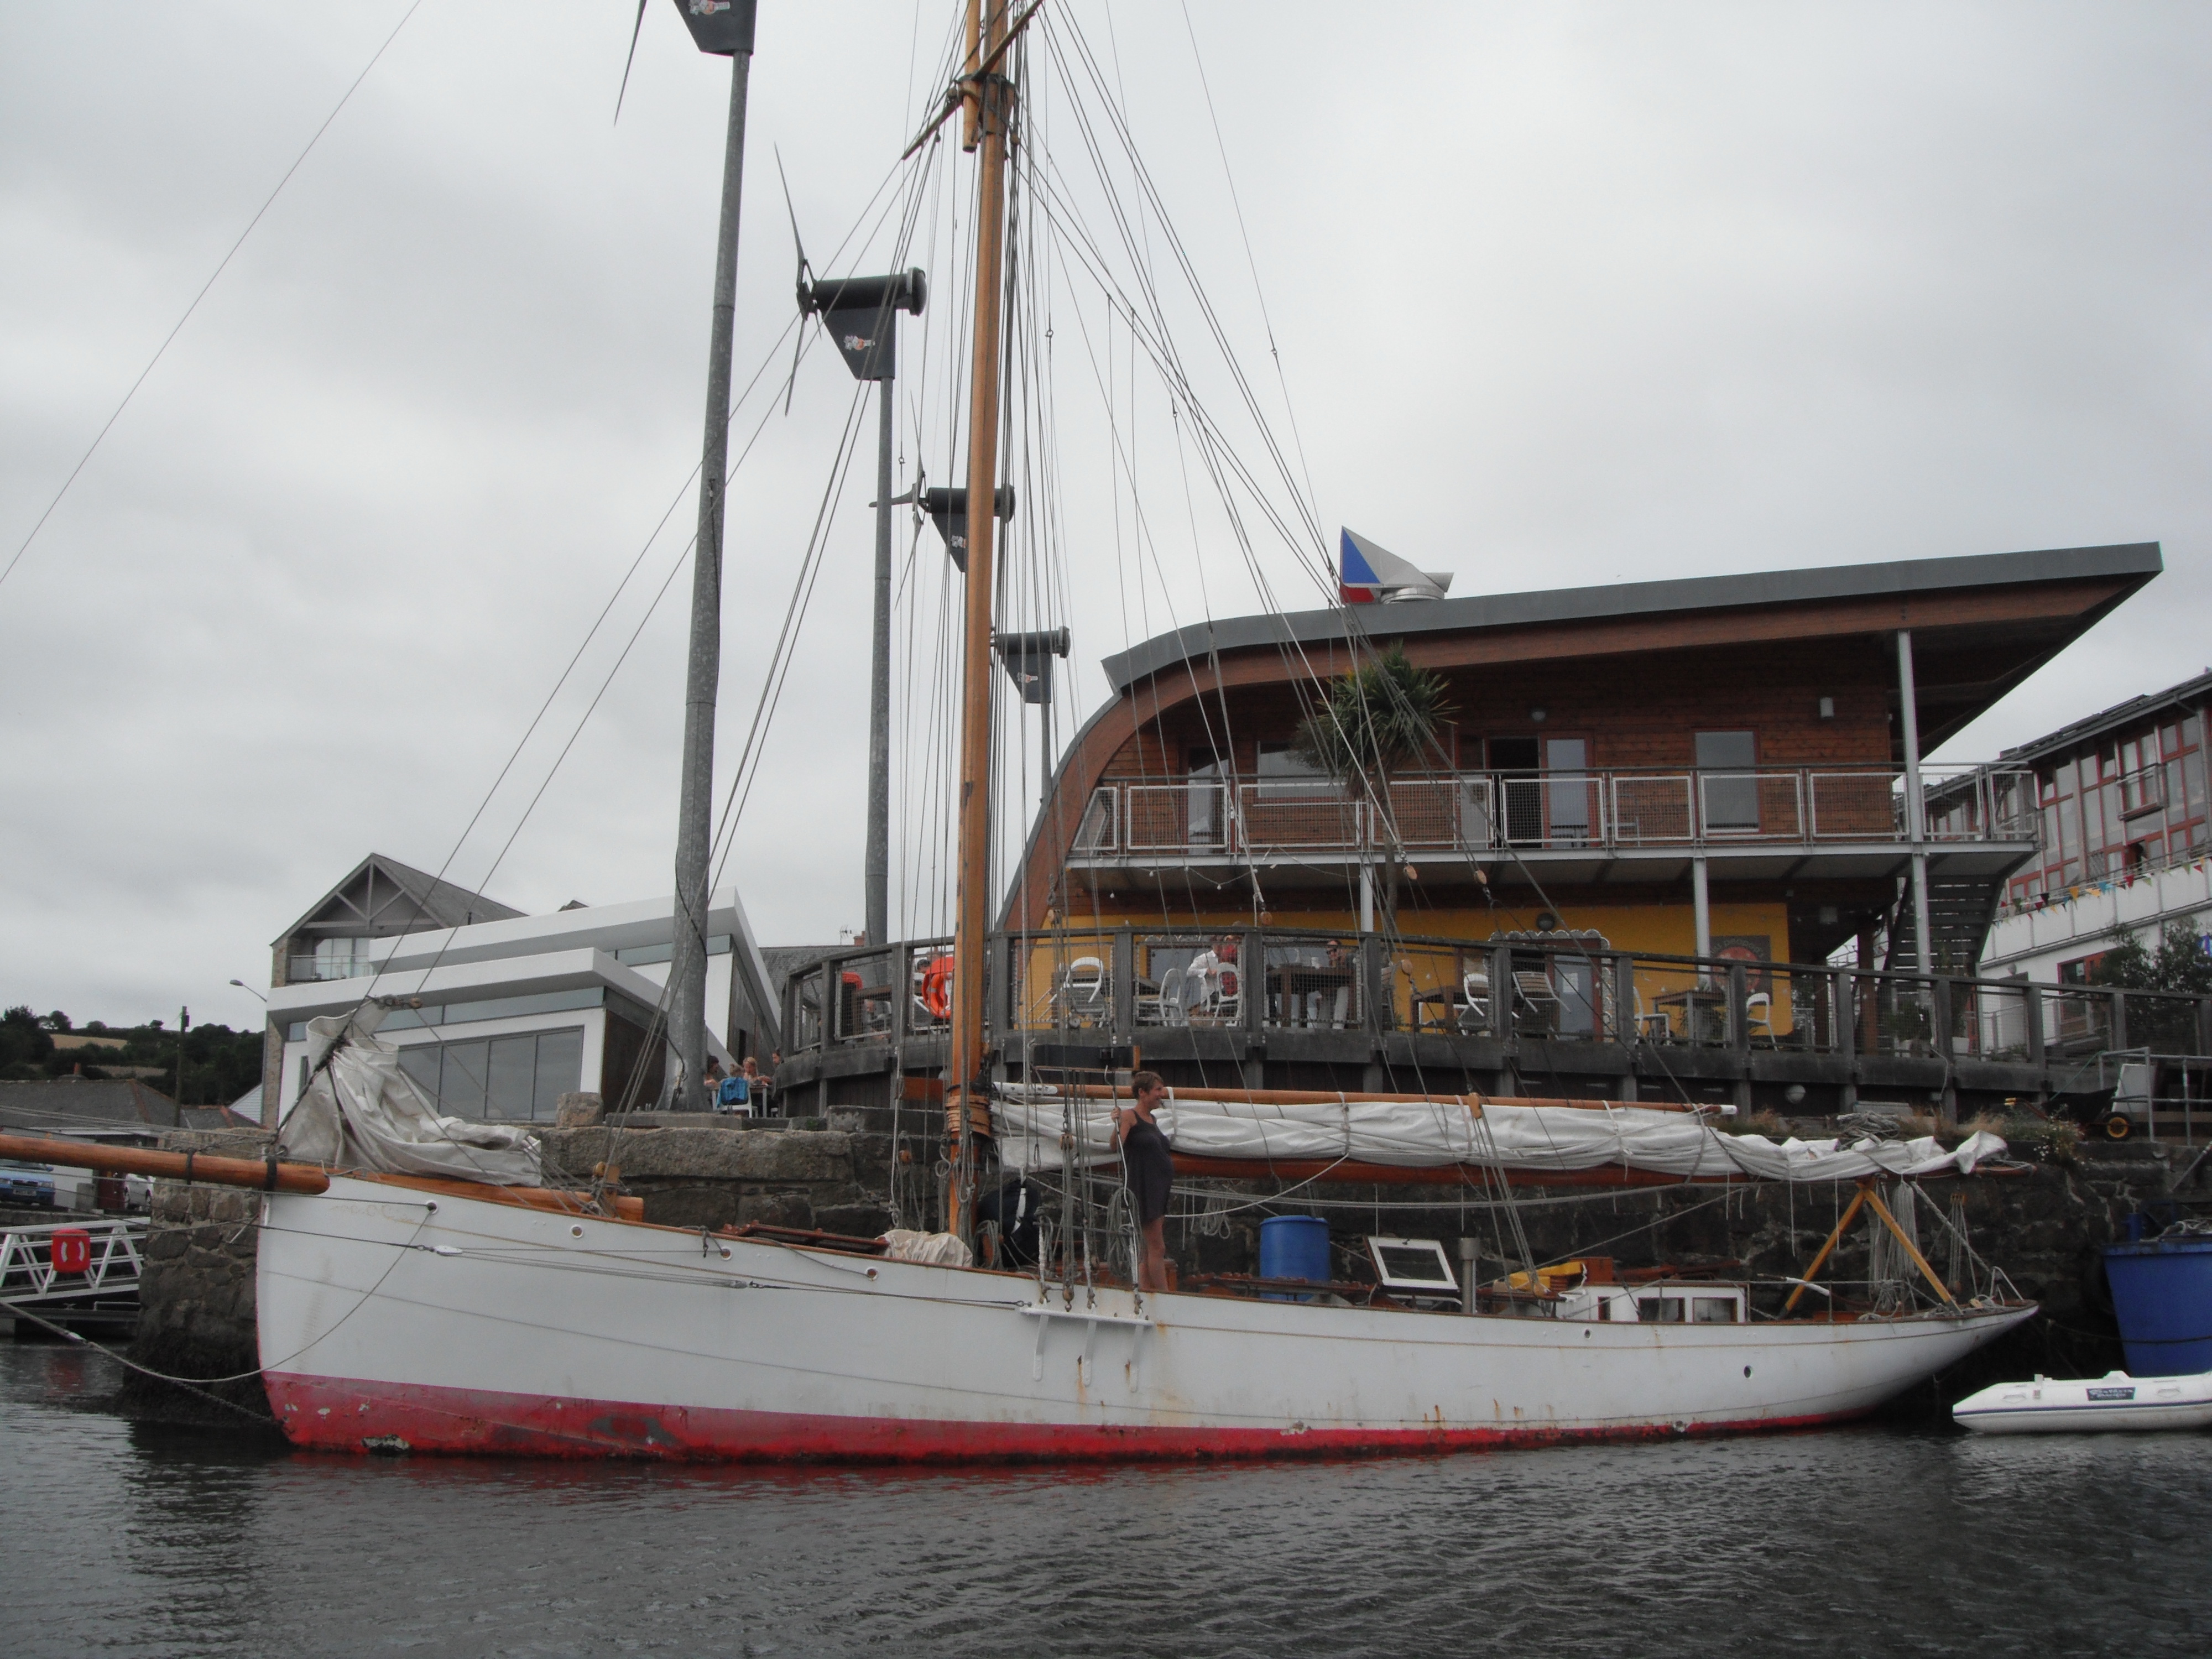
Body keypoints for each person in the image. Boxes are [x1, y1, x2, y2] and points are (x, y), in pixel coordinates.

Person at [1109, 1070, 1174, 1293]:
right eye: (1157, 1090)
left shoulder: (1152, 1119)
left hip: (1158, 1188)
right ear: (1142, 1092)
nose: (1161, 1095)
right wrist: (1116, 1123)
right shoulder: (1130, 1116)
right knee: (1158, 1247)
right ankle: (1166, 1297)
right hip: (1144, 1187)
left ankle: (1145, 1293)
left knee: (1148, 1249)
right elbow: (1116, 1145)